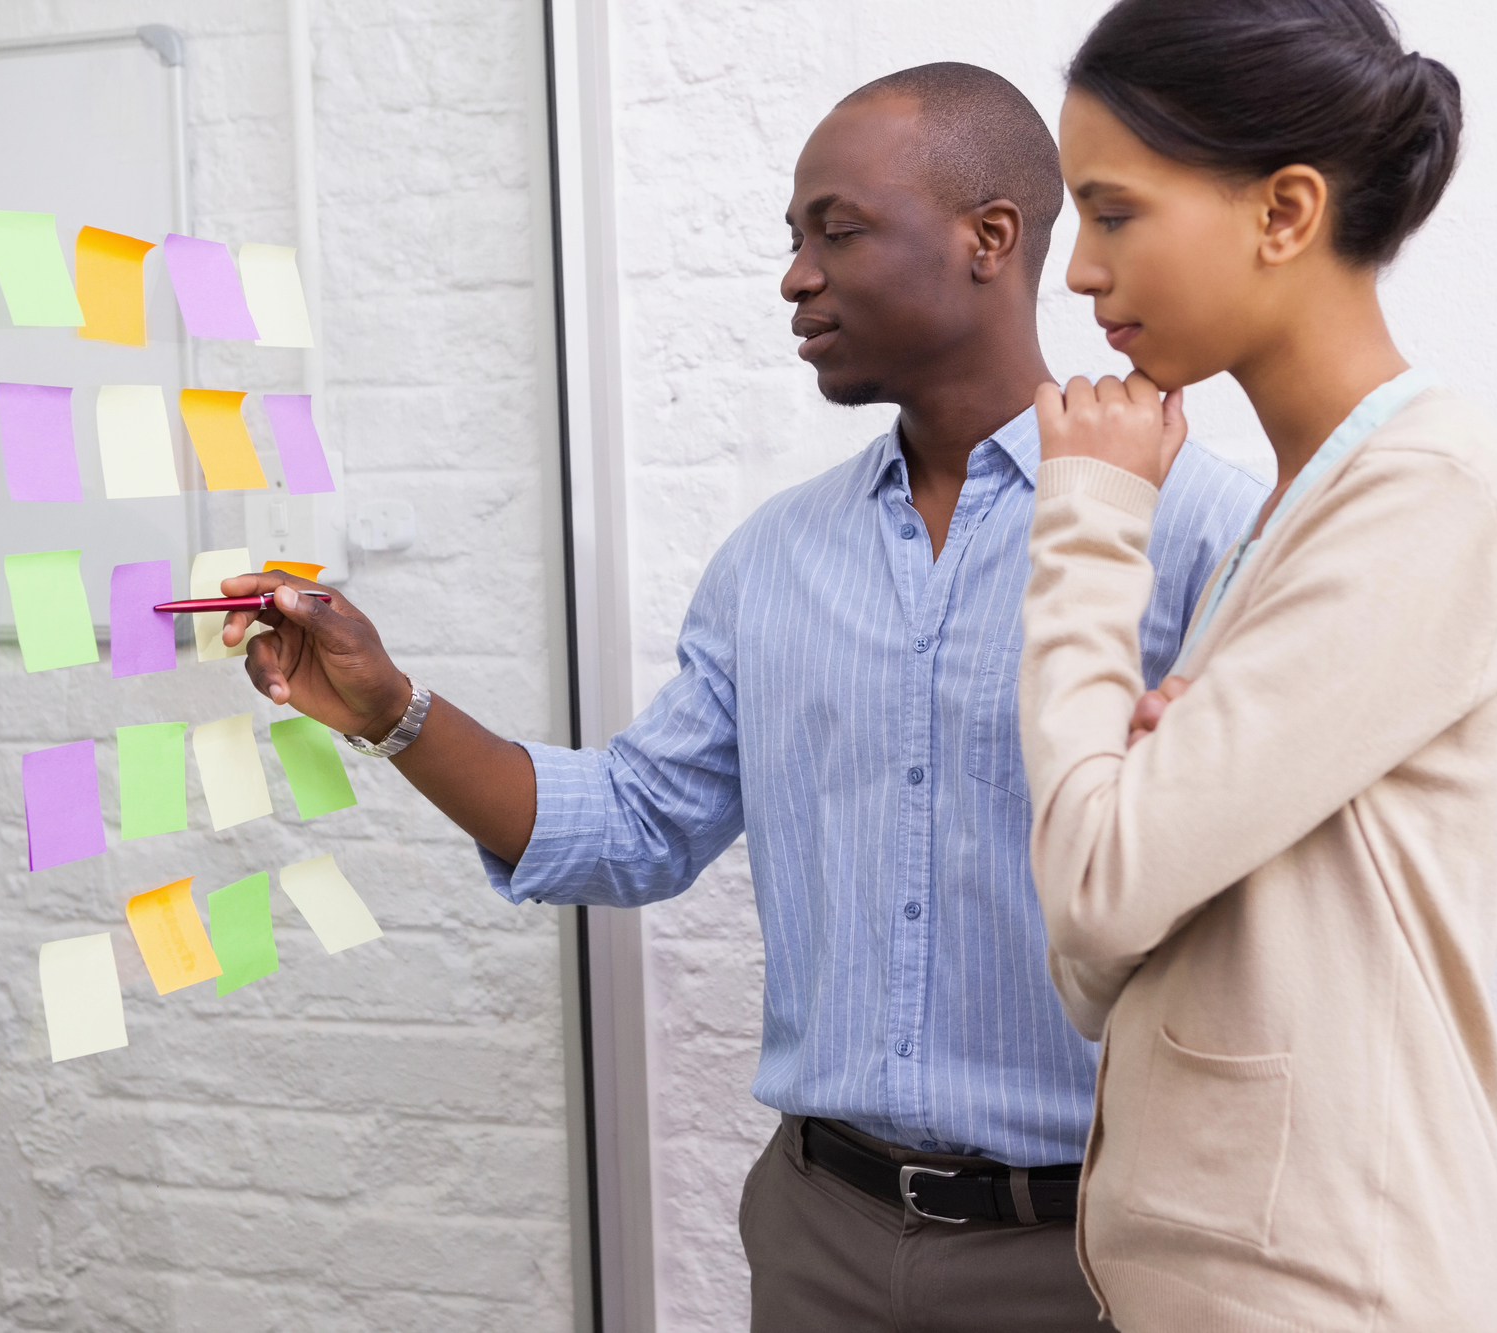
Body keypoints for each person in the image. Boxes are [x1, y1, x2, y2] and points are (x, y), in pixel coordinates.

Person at [221, 63, 1261, 1331]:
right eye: (792, 238)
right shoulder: (772, 559)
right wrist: (387, 705)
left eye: (838, 229)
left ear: (989, 239)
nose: (795, 275)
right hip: (817, 1240)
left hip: (1093, 1257)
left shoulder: (1196, 528)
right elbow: (634, 824)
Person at [1018, 3, 1497, 1331]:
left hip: (1333, 1289)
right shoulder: (1296, 513)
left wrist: (1089, 519)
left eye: (1114, 211)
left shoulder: (1427, 497)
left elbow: (1093, 888)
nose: (1080, 273)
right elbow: (1093, 969)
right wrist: (1122, 822)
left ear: (1286, 211)